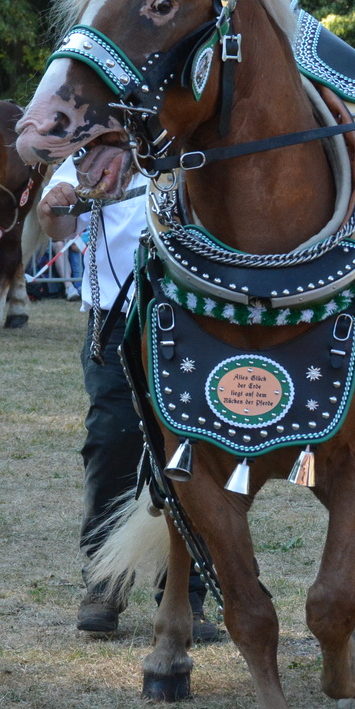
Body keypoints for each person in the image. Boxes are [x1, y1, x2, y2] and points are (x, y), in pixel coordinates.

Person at [38, 154, 220, 643]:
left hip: (199, 317)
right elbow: (56, 227)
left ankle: (187, 593)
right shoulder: (92, 154)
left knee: (196, 451)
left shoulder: (199, 147)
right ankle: (103, 582)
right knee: (111, 443)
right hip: (116, 317)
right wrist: (55, 205)